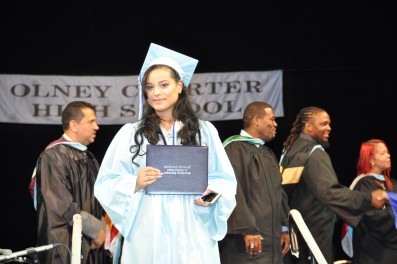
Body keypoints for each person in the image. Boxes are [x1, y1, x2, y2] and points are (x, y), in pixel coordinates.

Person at [94, 43, 237, 264]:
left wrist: (210, 195)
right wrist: (135, 182)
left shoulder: (204, 132)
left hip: (192, 228)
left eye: (163, 85)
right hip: (148, 230)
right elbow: (105, 183)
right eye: (150, 87)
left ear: (180, 86)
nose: (156, 93)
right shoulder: (131, 134)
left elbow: (224, 180)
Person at [279, 106, 388, 264]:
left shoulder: (289, 152)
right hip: (313, 236)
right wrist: (368, 199)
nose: (329, 128)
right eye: (323, 124)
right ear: (308, 126)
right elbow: (329, 192)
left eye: (329, 124)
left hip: (295, 233)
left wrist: (283, 227)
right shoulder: (314, 153)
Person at [34, 101, 106, 264]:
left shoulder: (90, 158)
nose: (97, 127)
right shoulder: (53, 156)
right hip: (63, 247)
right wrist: (96, 229)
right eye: (91, 121)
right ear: (74, 125)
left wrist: (99, 228)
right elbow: (62, 205)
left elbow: (97, 201)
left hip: (89, 245)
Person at [219, 101, 290, 264]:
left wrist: (284, 228)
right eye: (271, 119)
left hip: (271, 240)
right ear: (257, 120)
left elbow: (279, 192)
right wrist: (247, 229)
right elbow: (234, 191)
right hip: (247, 241)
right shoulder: (234, 149)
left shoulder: (267, 153)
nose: (275, 124)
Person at [348, 139, 397, 264]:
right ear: (371, 160)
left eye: (388, 152)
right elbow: (372, 217)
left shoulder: (392, 184)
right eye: (383, 153)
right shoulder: (363, 185)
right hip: (373, 252)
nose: (388, 155)